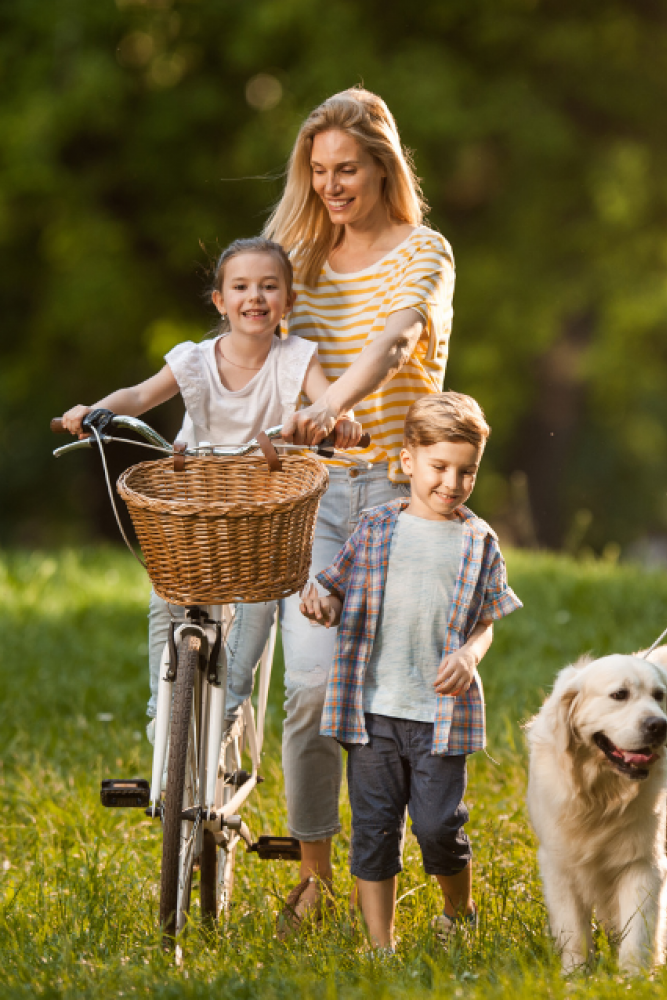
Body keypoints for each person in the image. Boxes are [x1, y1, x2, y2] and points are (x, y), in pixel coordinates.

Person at [262, 86, 456, 933]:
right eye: (319, 171)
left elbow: (393, 341)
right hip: (309, 497)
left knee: (399, 707)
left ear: (383, 166)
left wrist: (331, 402)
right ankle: (312, 875)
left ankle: (437, 876)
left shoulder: (426, 251)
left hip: (393, 502)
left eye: (348, 168)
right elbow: (248, 342)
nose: (333, 185)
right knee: (308, 691)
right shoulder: (294, 260)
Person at [58, 237, 363, 740]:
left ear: (288, 301)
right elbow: (138, 395)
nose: (255, 297)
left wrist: (340, 419)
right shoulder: (196, 360)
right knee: (168, 590)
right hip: (198, 493)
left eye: (269, 287)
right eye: (241, 286)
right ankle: (163, 709)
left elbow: (325, 399)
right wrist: (95, 410)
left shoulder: (296, 357)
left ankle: (228, 707)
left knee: (260, 598)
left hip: (264, 501)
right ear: (221, 301)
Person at [299, 392, 521, 949]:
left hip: (440, 716)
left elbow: (488, 621)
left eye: (465, 471)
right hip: (371, 713)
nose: (451, 482)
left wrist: (470, 655)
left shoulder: (478, 540)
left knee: (438, 827)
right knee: (372, 832)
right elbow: (326, 587)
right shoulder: (375, 529)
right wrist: (320, 602)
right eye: (439, 467)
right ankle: (381, 948)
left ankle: (458, 909)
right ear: (407, 460)